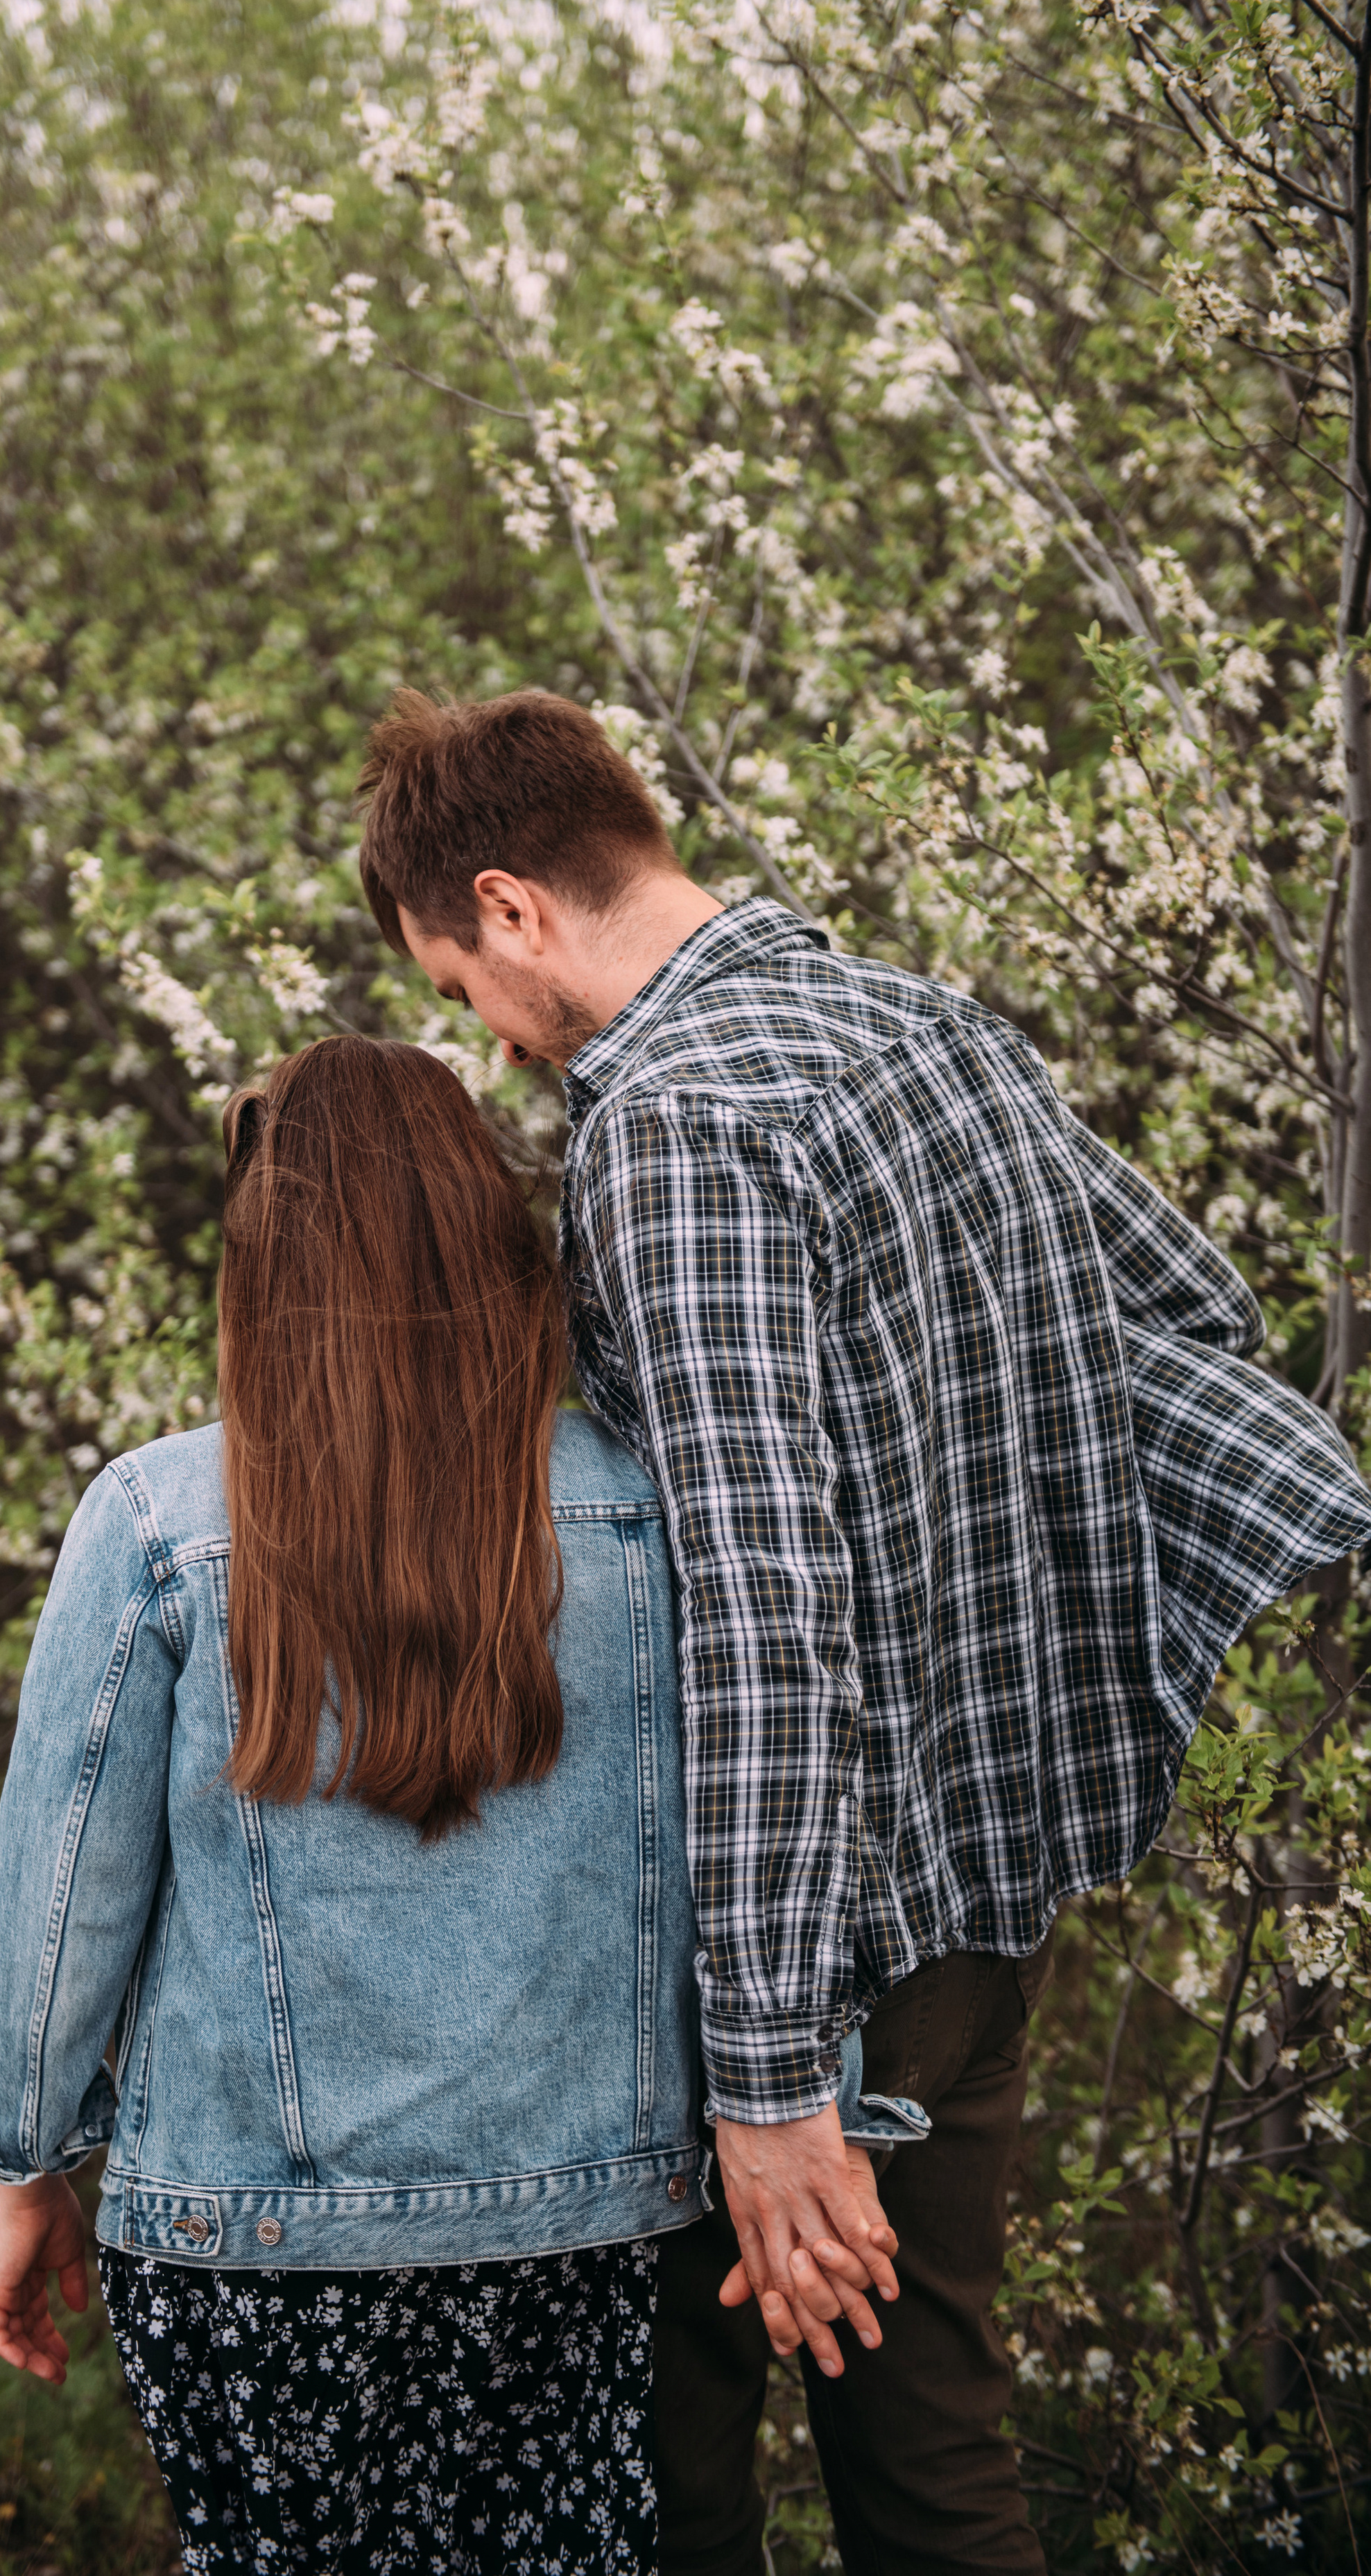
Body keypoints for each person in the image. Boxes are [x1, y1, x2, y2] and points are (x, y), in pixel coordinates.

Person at [356, 685, 1371, 2576]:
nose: (482, 1048)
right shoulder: (925, 1025)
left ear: (507, 906)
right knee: (936, 2468)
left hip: (813, 1958)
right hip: (998, 1901)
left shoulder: (671, 1123)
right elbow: (1192, 1310)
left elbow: (766, 1613)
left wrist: (769, 2085)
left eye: (457, 987)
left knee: (675, 2486)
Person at [0, 1033, 919, 2575]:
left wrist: (25, 2165)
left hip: (246, 2247)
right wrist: (825, 2097)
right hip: (580, 2240)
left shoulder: (152, 1520)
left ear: (260, 1271)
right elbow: (758, 1817)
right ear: (495, 1244)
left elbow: (64, 1901)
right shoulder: (646, 1507)